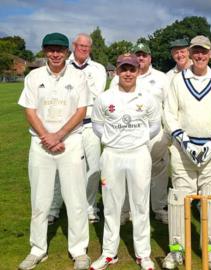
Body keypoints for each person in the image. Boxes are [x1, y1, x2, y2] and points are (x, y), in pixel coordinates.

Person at [17, 32, 90, 270]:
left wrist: (58, 135)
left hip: (70, 142)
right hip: (40, 144)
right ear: (44, 51)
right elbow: (29, 110)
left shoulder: (78, 77)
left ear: (67, 52)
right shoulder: (34, 76)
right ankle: (37, 249)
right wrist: (46, 137)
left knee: (75, 198)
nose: (55, 54)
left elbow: (81, 110)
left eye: (60, 50)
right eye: (51, 50)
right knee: (40, 200)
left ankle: (79, 250)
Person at [162, 35, 211, 269]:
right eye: (196, 51)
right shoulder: (177, 80)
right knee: (178, 202)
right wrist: (184, 141)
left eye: (204, 51)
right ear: (190, 53)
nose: (200, 55)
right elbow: (169, 114)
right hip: (183, 152)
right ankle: (176, 250)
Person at [89, 53, 161, 270]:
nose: (128, 73)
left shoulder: (147, 97)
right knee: (112, 206)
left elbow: (155, 125)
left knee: (140, 204)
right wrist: (115, 141)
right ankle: (109, 253)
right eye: (124, 69)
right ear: (117, 72)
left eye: (132, 69)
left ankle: (143, 254)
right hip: (112, 155)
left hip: (138, 154)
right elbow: (97, 126)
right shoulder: (105, 98)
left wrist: (136, 140)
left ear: (138, 71)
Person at [48, 33, 107, 224]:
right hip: (67, 125)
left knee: (94, 167)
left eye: (87, 46)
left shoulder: (98, 69)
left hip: (90, 123)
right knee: (60, 166)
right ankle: (54, 207)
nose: (83, 49)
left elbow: (96, 95)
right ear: (74, 46)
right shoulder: (63, 65)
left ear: (90, 48)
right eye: (80, 45)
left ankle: (90, 207)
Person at [112, 43, 170, 225]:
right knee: (129, 171)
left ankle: (159, 207)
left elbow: (169, 106)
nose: (141, 58)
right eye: (138, 55)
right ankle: (127, 209)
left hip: (155, 132)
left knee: (158, 170)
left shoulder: (161, 78)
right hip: (129, 132)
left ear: (150, 57)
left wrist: (167, 133)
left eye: (144, 55)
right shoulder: (119, 78)